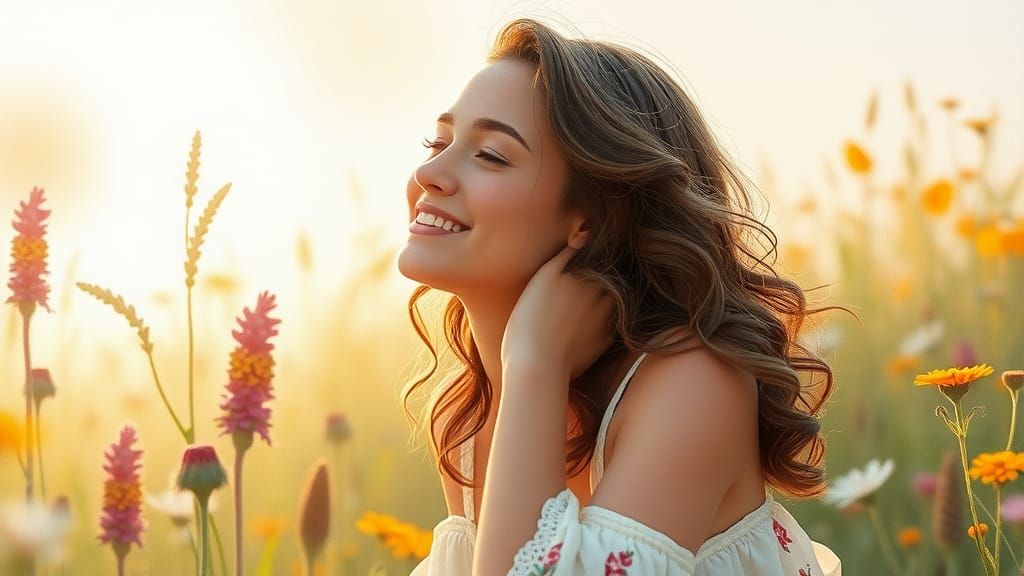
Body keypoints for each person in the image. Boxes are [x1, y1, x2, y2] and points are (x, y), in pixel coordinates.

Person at [397, 16, 843, 576]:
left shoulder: (693, 382)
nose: (429, 172)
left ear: (592, 216)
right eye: (437, 142)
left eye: (490, 154)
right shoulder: (470, 415)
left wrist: (535, 361)